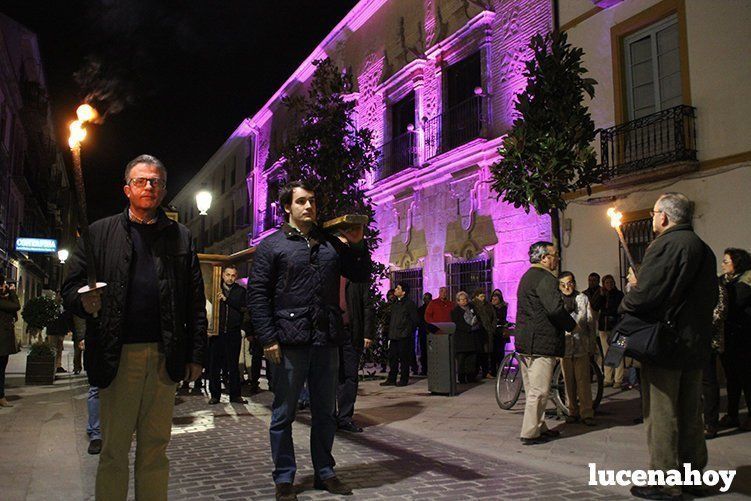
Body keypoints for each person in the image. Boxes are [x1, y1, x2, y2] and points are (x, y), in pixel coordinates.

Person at [62, 154, 207, 500]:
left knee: (156, 447)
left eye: (155, 181)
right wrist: (84, 299)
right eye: (141, 180)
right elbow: (68, 288)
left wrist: (196, 354)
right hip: (117, 355)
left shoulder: (181, 237)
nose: (149, 186)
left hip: (163, 355)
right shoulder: (99, 233)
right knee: (114, 449)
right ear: (127, 188)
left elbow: (194, 300)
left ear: (164, 190)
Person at [247, 180, 371, 501]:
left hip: (326, 338)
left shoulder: (330, 244)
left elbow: (360, 274)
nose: (309, 207)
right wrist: (268, 337)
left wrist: (357, 244)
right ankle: (284, 477)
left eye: (312, 201)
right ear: (287, 207)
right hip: (289, 340)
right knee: (283, 412)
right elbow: (258, 295)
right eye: (301, 202)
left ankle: (324, 471)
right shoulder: (273, 246)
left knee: (324, 412)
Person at [619, 193, 717, 500]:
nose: (651, 219)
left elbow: (647, 297)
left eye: (654, 214)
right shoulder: (703, 248)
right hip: (694, 343)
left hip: (667, 344)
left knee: (662, 413)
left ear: (664, 217)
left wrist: (632, 290)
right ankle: (692, 476)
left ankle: (664, 480)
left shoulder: (667, 245)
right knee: (691, 412)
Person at [515, 241, 576, 445]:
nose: (556, 258)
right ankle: (530, 432)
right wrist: (572, 326)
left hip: (526, 342)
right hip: (541, 341)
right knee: (539, 390)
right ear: (544, 258)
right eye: (554, 254)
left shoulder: (526, 277)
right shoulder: (545, 278)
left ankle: (540, 426)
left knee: (533, 387)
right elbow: (554, 309)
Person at [558, 272, 597, 426]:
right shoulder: (558, 301)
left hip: (581, 345)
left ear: (574, 283)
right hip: (565, 347)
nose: (567, 287)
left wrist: (592, 344)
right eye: (563, 284)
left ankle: (587, 412)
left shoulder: (582, 298)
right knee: (568, 382)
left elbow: (590, 322)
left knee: (583, 381)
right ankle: (572, 411)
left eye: (569, 283)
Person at [718, 247, 751, 431]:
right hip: (727, 337)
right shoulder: (724, 280)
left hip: (744, 337)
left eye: (726, 261)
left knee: (746, 377)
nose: (722, 265)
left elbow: (736, 301)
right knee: (731, 378)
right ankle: (732, 415)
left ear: (736, 263)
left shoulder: (746, 281)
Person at [336, 278, 374, 432]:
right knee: (328, 377)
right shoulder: (325, 270)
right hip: (330, 333)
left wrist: (368, 333)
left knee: (350, 376)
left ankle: (345, 417)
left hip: (351, 333)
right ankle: (328, 417)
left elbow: (367, 306)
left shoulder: (357, 278)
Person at [208, 265, 248, 405]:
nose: (230, 278)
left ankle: (235, 395)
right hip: (217, 334)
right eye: (228, 275)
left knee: (233, 366)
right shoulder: (215, 289)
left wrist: (226, 300)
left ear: (236, 277)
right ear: (223, 275)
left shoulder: (240, 291)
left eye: (233, 275)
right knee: (215, 366)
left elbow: (244, 307)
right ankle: (215, 395)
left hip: (233, 333)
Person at [381, 282, 419, 387]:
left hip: (404, 336)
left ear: (403, 292)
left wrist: (407, 331)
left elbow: (415, 320)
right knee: (392, 358)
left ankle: (403, 379)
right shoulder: (395, 303)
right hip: (394, 335)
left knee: (404, 359)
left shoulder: (409, 304)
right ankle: (391, 379)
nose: (395, 290)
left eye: (398, 288)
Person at [704, 282, 728, 439]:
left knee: (709, 382)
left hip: (708, 341)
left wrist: (700, 326)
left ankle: (711, 423)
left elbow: (720, 312)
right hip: (693, 341)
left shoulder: (717, 286)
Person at [592, 275, 624, 387]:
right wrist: (601, 296)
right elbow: (594, 306)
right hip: (604, 327)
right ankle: (608, 378)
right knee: (606, 353)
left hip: (617, 326)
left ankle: (618, 379)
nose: (609, 284)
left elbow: (619, 308)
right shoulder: (601, 294)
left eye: (611, 282)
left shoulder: (619, 294)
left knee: (617, 351)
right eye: (607, 283)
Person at [451, 291, 481, 383]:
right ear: (458, 301)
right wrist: (469, 328)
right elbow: (457, 324)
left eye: (465, 299)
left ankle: (471, 377)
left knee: (471, 360)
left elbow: (478, 318)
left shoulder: (472, 308)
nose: (464, 301)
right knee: (461, 361)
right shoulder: (455, 311)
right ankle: (462, 378)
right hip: (461, 339)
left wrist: (476, 325)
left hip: (472, 339)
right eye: (462, 300)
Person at [0, 275, 20, 407]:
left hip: (3, 342)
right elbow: (16, 306)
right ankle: (1, 397)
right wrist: (12, 292)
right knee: (1, 370)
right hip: (1, 343)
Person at [47, 292, 74, 374]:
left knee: (59, 348)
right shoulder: (51, 306)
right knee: (52, 348)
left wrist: (67, 329)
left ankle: (58, 365)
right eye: (59, 295)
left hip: (61, 330)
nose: (60, 298)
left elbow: (66, 318)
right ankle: (51, 365)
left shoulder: (64, 306)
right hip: (52, 330)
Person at [472, 290, 496, 379]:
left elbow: (494, 316)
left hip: (488, 331)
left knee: (486, 353)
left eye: (484, 296)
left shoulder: (488, 305)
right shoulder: (473, 305)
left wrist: (492, 328)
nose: (483, 298)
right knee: (479, 353)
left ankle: (486, 372)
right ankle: (476, 372)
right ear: (476, 296)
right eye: (481, 296)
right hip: (478, 332)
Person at [490, 289, 508, 376]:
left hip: (500, 332)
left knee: (500, 352)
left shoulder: (503, 307)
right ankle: (493, 370)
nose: (494, 300)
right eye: (493, 298)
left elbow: (501, 319)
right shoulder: (490, 307)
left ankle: (500, 370)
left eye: (496, 298)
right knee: (493, 352)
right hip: (493, 332)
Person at [416, 292, 432, 375]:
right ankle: (424, 369)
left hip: (431, 333)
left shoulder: (433, 309)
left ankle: (430, 369)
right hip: (423, 333)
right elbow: (419, 321)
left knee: (431, 352)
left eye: (428, 298)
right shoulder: (420, 310)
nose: (427, 300)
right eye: (425, 299)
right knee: (424, 352)